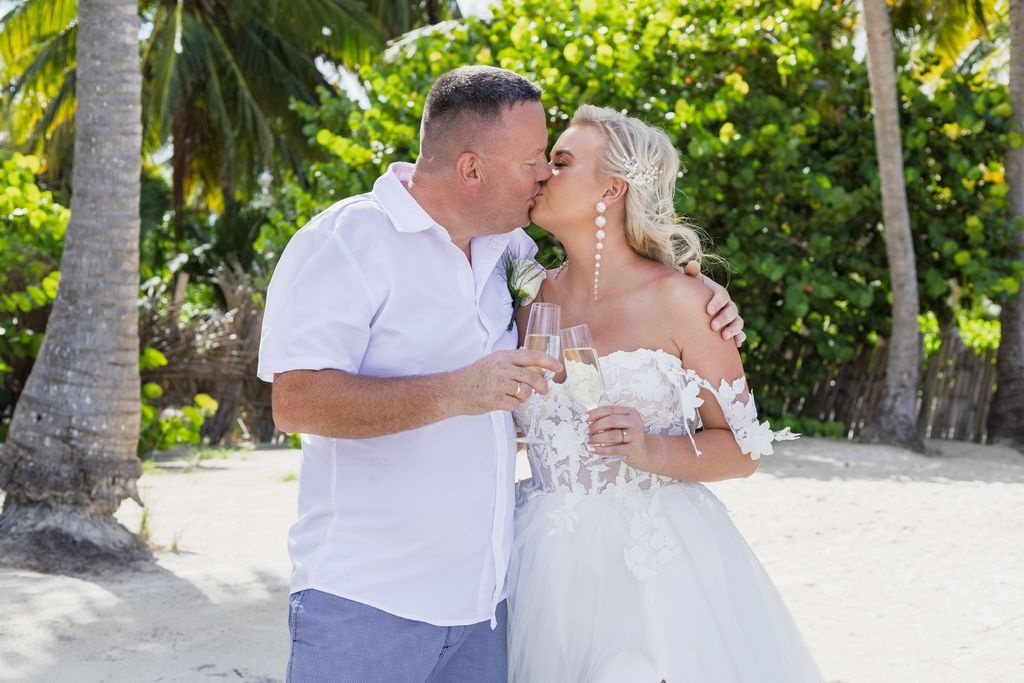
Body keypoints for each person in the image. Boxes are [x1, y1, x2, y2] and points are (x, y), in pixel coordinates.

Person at [257, 67, 744, 682]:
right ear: (471, 169)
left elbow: (615, 292)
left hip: (491, 601)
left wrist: (705, 297)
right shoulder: (347, 241)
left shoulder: (508, 254)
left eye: (554, 160)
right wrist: (459, 391)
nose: (543, 174)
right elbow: (295, 403)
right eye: (535, 160)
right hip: (370, 598)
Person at [507, 105, 824, 682]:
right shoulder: (527, 301)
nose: (544, 173)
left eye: (562, 161)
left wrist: (651, 450)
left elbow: (744, 449)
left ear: (612, 189)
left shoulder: (685, 301)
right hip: (538, 560)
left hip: (651, 567)